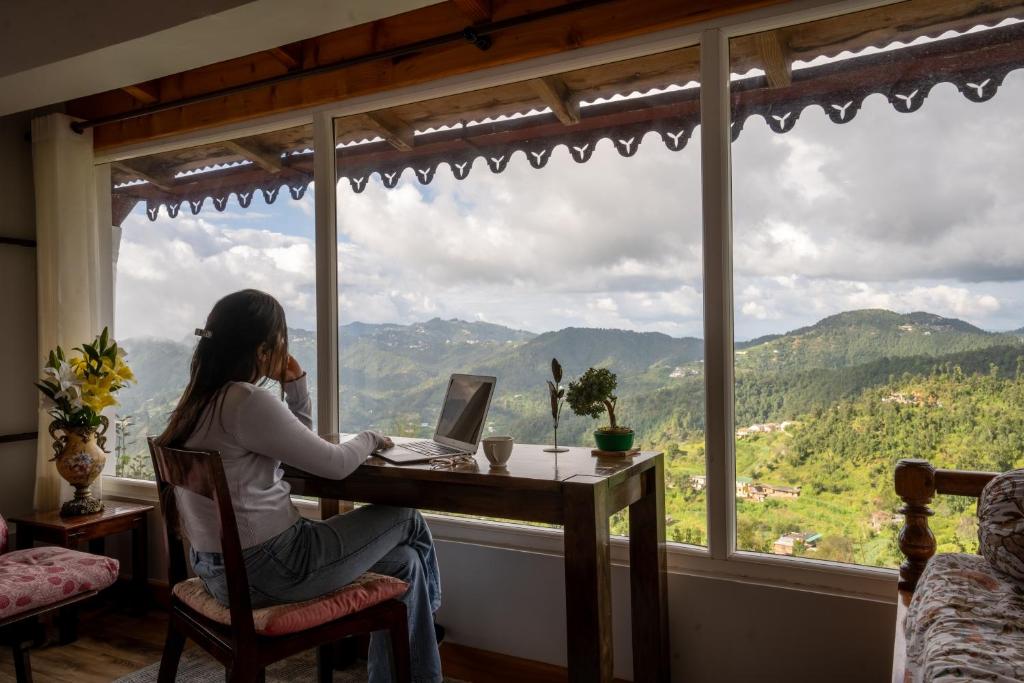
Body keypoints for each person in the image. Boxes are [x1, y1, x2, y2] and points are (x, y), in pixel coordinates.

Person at [157, 289, 442, 683]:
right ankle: (436, 614)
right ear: (262, 350)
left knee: (407, 563)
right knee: (406, 517)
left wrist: (295, 387)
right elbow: (335, 464)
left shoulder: (196, 403)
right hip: (275, 569)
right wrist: (373, 437)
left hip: (219, 572)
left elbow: (294, 447)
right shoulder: (245, 400)